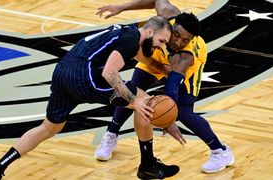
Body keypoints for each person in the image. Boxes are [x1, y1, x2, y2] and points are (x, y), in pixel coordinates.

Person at [0, 16, 177, 180]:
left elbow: (150, 62)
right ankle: (148, 165)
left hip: (62, 73)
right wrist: (135, 101)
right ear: (150, 32)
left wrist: (174, 73)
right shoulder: (130, 40)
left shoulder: (127, 34)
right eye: (162, 41)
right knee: (147, 103)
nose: (161, 47)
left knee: (49, 127)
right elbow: (109, 74)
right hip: (84, 76)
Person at [94, 0, 235, 174]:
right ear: (172, 26)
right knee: (132, 90)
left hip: (185, 68)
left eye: (185, 40)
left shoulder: (184, 57)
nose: (178, 42)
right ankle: (111, 134)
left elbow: (172, 87)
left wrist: (169, 119)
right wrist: (121, 7)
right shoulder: (167, 14)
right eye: (176, 35)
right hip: (158, 55)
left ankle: (220, 151)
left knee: (183, 111)